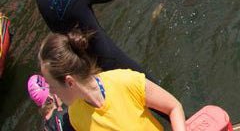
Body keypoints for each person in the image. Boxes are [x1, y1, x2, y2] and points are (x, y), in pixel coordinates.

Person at [38, 30, 187, 130]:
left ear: (70, 82)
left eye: (52, 85)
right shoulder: (75, 116)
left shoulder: (125, 81)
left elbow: (174, 107)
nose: (50, 92)